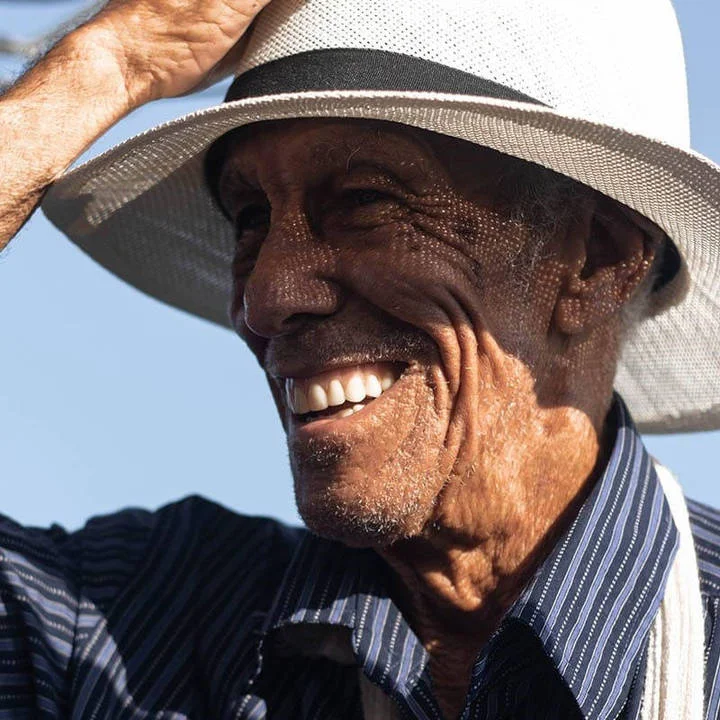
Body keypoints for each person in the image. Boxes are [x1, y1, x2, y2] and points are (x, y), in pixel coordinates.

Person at [1, 0, 719, 717]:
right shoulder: (136, 623)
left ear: (596, 261)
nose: (267, 298)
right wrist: (108, 66)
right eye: (252, 219)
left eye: (366, 200)